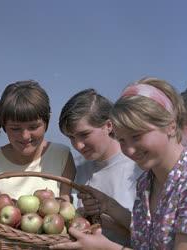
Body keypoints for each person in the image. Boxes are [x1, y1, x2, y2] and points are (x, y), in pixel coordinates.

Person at [51, 77, 187, 250]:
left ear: (171, 126)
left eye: (137, 136)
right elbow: (147, 235)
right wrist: (108, 205)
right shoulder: (147, 181)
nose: (129, 150)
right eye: (122, 140)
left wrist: (107, 248)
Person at [59, 88, 142, 246]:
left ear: (109, 125)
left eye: (84, 134)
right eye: (71, 137)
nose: (78, 145)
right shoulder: (78, 170)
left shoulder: (138, 168)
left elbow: (152, 233)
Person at [0, 80, 76, 201]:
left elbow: (65, 206)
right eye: (15, 128)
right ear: (3, 125)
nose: (25, 136)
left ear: (46, 123)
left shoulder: (62, 155)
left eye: (33, 127)